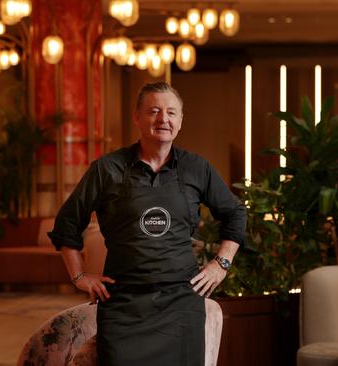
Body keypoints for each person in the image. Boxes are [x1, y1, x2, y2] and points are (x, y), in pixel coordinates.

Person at [48, 81, 246, 366]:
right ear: (137, 117)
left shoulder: (196, 168)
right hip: (124, 305)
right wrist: (79, 276)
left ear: (180, 121)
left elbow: (235, 213)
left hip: (180, 305)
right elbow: (67, 222)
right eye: (154, 111)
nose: (163, 119)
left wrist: (221, 264)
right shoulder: (107, 169)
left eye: (171, 113)